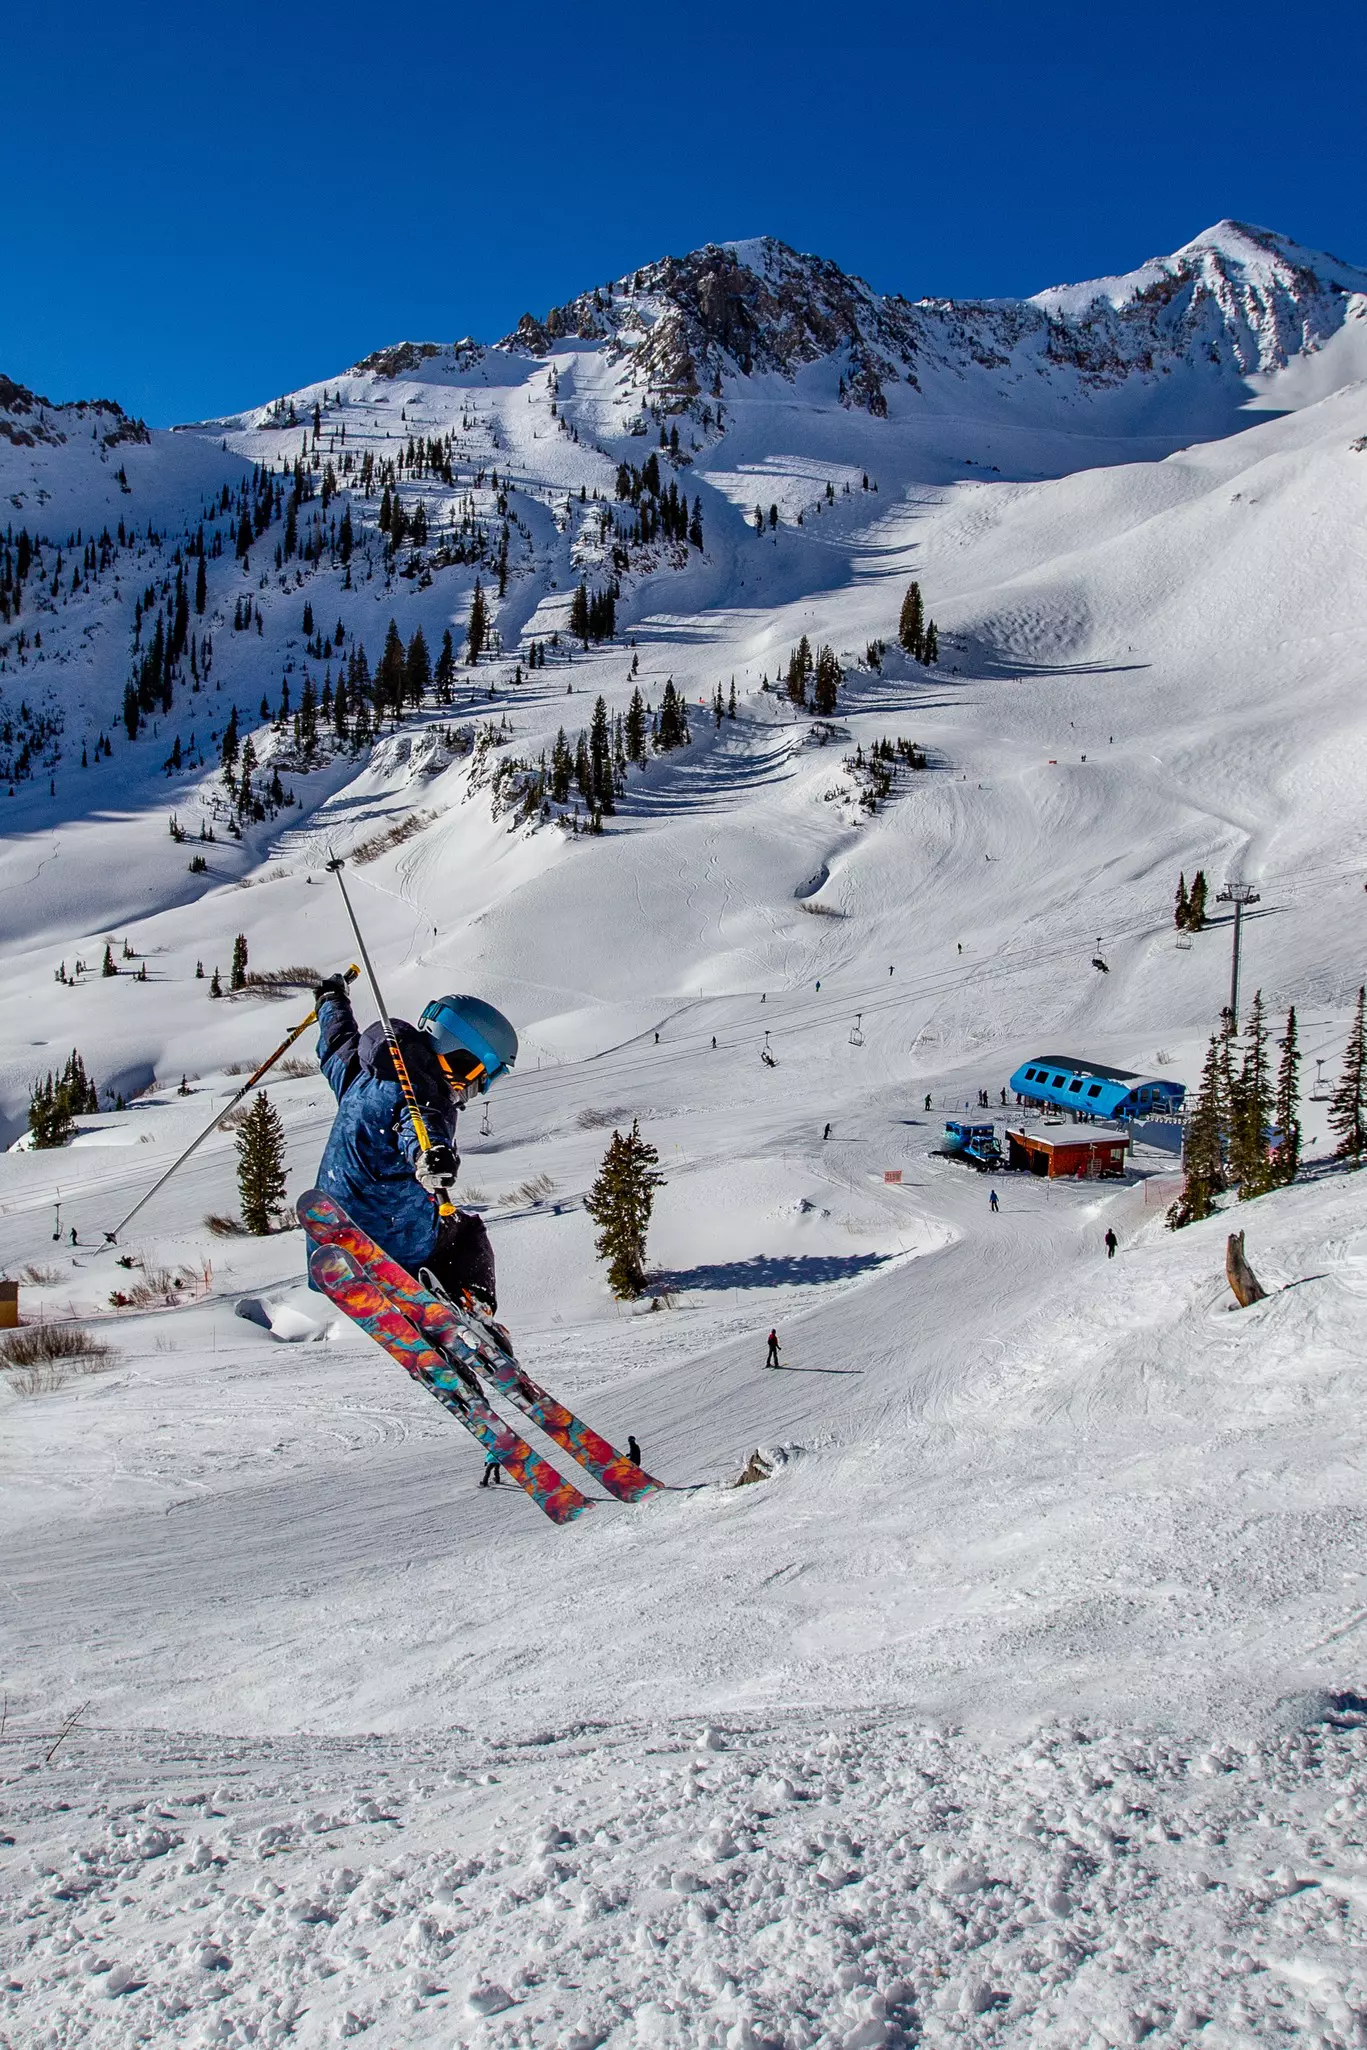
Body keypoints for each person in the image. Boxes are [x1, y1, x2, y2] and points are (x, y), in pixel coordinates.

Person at [313, 979, 517, 1313]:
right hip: (390, 1239)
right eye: (485, 1076)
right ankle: (473, 1312)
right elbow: (418, 1125)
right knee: (467, 1235)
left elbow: (335, 1043)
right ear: (463, 1056)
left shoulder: (363, 1067)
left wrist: (330, 1000)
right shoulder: (423, 1094)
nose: (479, 1089)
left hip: (330, 1225)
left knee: (448, 1226)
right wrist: (431, 1154)